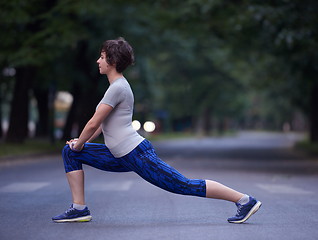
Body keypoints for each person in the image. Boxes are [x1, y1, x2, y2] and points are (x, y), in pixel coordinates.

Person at [52, 37, 261, 224]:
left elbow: (91, 123)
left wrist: (80, 143)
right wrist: (79, 145)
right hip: (119, 155)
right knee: (70, 152)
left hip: (136, 154)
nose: (98, 61)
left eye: (102, 57)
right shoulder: (115, 87)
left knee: (183, 185)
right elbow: (98, 126)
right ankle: (79, 209)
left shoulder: (118, 88)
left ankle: (244, 200)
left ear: (112, 62)